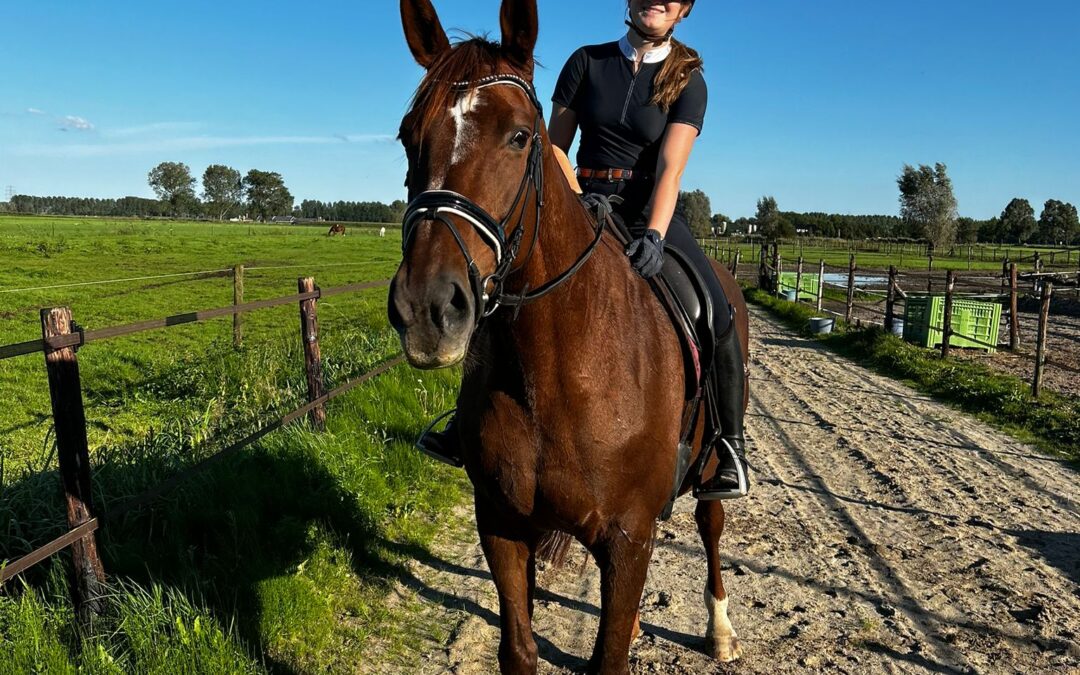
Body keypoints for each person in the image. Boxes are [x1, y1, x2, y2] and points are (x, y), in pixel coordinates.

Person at [418, 0, 749, 499]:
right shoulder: (585, 63)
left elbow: (670, 171)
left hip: (646, 209)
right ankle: (466, 423)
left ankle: (727, 444)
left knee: (714, 307)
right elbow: (553, 147)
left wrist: (655, 235)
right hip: (582, 199)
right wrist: (574, 199)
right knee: (502, 286)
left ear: (682, 9)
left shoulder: (688, 80)